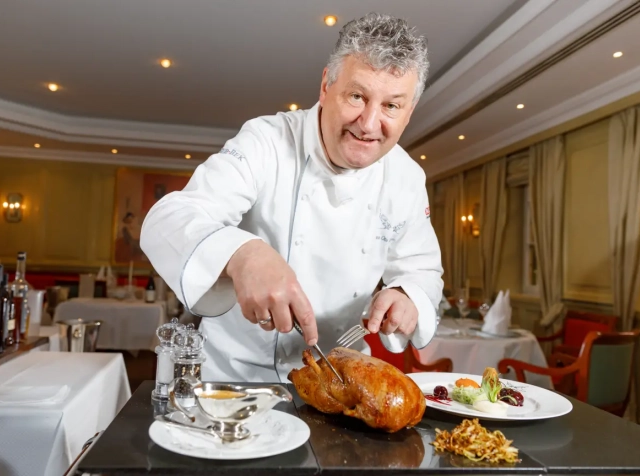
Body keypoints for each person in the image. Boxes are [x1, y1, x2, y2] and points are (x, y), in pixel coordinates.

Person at [140, 12, 443, 382]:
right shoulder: (266, 141)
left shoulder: (406, 178)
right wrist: (243, 255)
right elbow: (168, 219)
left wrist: (407, 295)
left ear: (409, 112)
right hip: (234, 380)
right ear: (325, 87)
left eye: (391, 106)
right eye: (356, 96)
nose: (368, 123)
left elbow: (422, 269)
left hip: (338, 380)